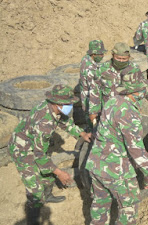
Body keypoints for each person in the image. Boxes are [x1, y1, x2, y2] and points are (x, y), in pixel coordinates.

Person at [8, 84, 92, 224]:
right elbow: (39, 155)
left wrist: (82, 134)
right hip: (22, 149)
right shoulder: (44, 123)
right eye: (67, 104)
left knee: (47, 175)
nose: (70, 106)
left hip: (36, 144)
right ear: (56, 103)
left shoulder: (56, 109)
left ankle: (48, 196)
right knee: (35, 189)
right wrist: (60, 172)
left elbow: (65, 123)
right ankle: (33, 220)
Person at [85, 74, 148, 225]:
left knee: (100, 205)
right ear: (136, 92)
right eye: (142, 89)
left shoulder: (112, 101)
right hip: (117, 171)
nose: (144, 92)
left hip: (96, 165)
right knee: (129, 210)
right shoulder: (128, 112)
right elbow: (135, 148)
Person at [88, 42, 144, 123]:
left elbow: (142, 90)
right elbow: (95, 90)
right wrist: (93, 110)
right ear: (113, 55)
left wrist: (134, 99)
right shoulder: (102, 69)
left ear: (129, 57)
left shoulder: (134, 69)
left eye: (124, 59)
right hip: (108, 112)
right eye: (118, 58)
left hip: (128, 113)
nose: (121, 61)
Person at [79, 40, 107, 130]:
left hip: (86, 100)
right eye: (100, 54)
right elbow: (93, 91)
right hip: (91, 103)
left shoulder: (85, 59)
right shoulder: (91, 69)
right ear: (94, 54)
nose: (102, 56)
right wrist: (93, 112)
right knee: (94, 128)